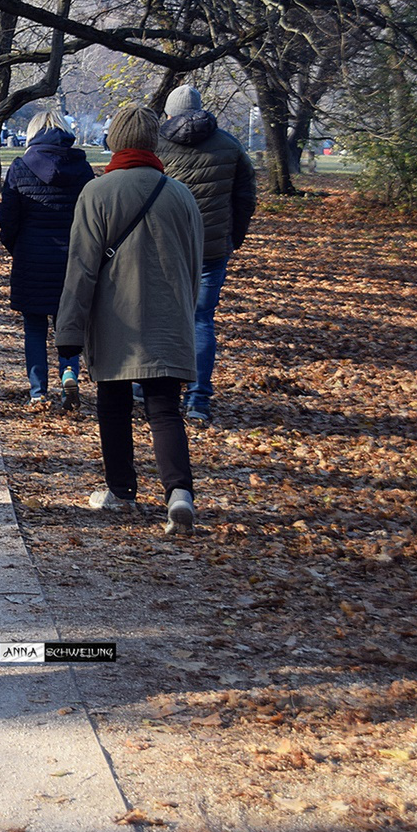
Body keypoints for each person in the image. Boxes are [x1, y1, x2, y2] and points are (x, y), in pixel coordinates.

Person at [56, 106, 202, 534]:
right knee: (165, 409)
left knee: (114, 406)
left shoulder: (97, 193)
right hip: (168, 316)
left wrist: (69, 332)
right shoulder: (180, 193)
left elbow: (81, 268)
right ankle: (179, 493)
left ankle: (121, 491)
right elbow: (194, 264)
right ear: (155, 142)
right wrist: (185, 311)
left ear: (114, 140)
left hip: (115, 317)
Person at [156, 84, 257, 424]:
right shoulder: (229, 145)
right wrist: (233, 237)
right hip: (211, 248)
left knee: (159, 315)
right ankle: (198, 398)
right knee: (201, 319)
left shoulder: (157, 143)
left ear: (169, 113)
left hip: (164, 245)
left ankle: (150, 386)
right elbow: (245, 197)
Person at [0, 110, 97, 411]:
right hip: (72, 258)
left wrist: (17, 247)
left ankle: (38, 391)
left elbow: (8, 218)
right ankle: (69, 372)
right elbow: (91, 217)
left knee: (35, 328)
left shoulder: (20, 167)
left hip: (32, 256)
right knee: (68, 324)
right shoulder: (83, 168)